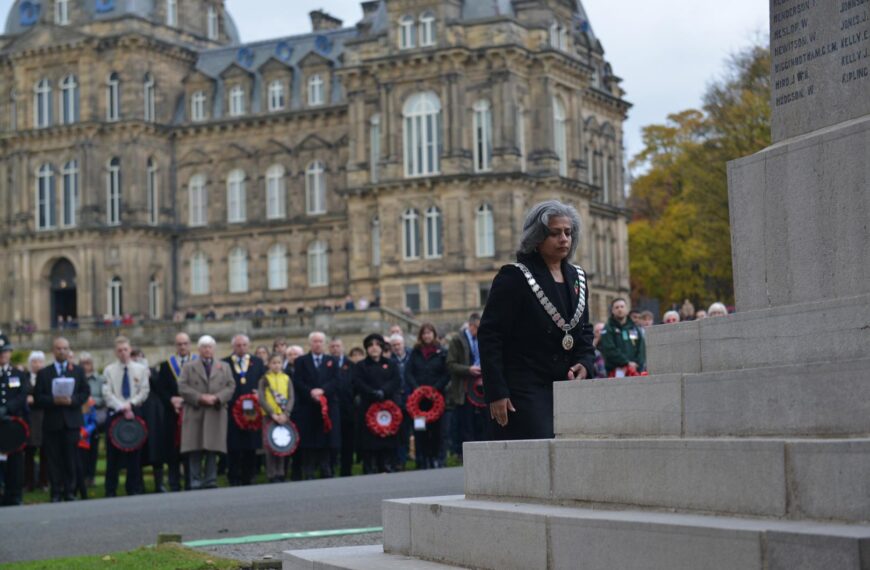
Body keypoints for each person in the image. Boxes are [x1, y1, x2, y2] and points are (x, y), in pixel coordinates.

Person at [478, 200, 596, 440]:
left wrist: (585, 362)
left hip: (567, 386)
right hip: (525, 389)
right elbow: (490, 336)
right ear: (537, 237)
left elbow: (583, 331)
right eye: (555, 233)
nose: (563, 238)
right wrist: (496, 392)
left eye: (568, 232)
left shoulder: (578, 277)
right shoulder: (515, 276)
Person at [33, 337, 90, 502]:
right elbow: (38, 397)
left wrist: (72, 400)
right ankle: (56, 492)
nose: (62, 351)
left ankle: (70, 491)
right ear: (53, 350)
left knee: (71, 457)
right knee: (53, 459)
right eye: (59, 348)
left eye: (65, 348)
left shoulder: (78, 371)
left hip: (71, 421)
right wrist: (54, 400)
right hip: (52, 422)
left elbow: (84, 392)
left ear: (69, 350)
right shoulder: (44, 373)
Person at [178, 336, 235, 490]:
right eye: (204, 347)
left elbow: (231, 386)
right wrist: (200, 397)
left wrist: (217, 398)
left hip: (215, 411)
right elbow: (182, 387)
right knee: (194, 448)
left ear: (214, 349)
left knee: (212, 448)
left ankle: (211, 479)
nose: (207, 350)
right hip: (196, 410)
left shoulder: (224, 366)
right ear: (199, 349)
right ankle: (195, 480)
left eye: (210, 347)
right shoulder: (189, 367)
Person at [102, 336, 150, 497]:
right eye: (119, 350)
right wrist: (121, 406)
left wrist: (131, 404)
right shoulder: (109, 370)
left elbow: (144, 391)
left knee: (134, 454)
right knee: (112, 455)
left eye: (125, 350)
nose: (123, 353)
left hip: (134, 413)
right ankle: (110, 489)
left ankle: (133, 488)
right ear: (116, 353)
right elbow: (107, 393)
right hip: (116, 412)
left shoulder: (140, 370)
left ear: (130, 350)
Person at [292, 332, 340, 480]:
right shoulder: (301, 361)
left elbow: (336, 380)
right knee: (308, 440)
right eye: (314, 341)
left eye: (320, 341)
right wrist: (310, 392)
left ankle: (326, 468)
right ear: (310, 344)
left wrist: (323, 390)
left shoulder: (331, 360)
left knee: (326, 438)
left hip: (327, 406)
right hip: (307, 406)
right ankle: (309, 470)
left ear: (324, 343)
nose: (317, 344)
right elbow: (297, 381)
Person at [353, 334, 401, 474]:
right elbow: (358, 382)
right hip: (368, 406)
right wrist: (372, 392)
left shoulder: (390, 364)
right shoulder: (361, 366)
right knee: (369, 439)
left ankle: (386, 464)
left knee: (387, 436)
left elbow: (396, 380)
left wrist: (384, 391)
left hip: (387, 407)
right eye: (370, 345)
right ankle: (369, 466)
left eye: (377, 345)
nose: (374, 348)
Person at [152, 333, 193, 492]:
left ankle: (191, 481)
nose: (182, 347)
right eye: (179, 344)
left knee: (191, 448)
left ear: (189, 344)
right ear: (175, 346)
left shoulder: (197, 363)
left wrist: (187, 400)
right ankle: (174, 482)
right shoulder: (166, 365)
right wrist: (171, 400)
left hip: (191, 411)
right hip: (172, 414)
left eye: (185, 343)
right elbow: (160, 389)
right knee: (172, 449)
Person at [405, 323, 449, 469]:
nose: (427, 336)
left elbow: (446, 373)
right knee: (420, 430)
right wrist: (417, 389)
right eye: (424, 333)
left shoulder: (441, 352)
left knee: (438, 431)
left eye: (429, 333)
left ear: (434, 335)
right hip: (418, 401)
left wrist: (435, 389)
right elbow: (408, 373)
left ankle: (437, 458)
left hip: (436, 399)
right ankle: (422, 459)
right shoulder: (415, 352)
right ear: (421, 336)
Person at [223, 334, 265, 486]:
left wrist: (259, 394)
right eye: (238, 345)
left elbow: (263, 382)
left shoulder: (257, 362)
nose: (241, 348)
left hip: (251, 409)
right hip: (232, 408)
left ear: (249, 345)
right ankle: (233, 476)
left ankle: (249, 475)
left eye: (244, 345)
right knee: (233, 444)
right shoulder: (225, 363)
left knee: (251, 442)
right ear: (233, 347)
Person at [447, 314, 486, 459]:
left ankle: (483, 454)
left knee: (483, 423)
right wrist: (468, 369)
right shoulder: (457, 340)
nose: (479, 331)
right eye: (477, 328)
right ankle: (468, 456)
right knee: (466, 424)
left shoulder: (482, 339)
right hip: (464, 390)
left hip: (482, 389)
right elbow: (450, 364)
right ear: (471, 326)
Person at [0, 334, 28, 506]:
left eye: (5, 351)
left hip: (13, 423)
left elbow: (22, 395)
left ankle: (15, 494)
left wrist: (7, 408)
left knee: (15, 461)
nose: (2, 355)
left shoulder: (18, 374)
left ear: (10, 352)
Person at [258, 353, 294, 483]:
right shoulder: (264, 379)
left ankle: (281, 472)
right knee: (270, 446)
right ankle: (271, 474)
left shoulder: (286, 378)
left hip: (284, 416)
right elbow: (262, 398)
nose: (276, 365)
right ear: (268, 364)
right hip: (269, 417)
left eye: (279, 362)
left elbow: (291, 397)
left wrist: (286, 413)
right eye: (273, 363)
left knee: (283, 444)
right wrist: (272, 413)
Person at [599, 298, 647, 376]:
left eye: (622, 306)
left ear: (627, 309)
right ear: (612, 311)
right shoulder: (608, 329)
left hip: (635, 369)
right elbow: (609, 350)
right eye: (616, 307)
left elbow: (640, 348)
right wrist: (627, 363)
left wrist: (637, 364)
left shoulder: (633, 328)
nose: (620, 309)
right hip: (616, 371)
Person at [78, 353, 106, 488]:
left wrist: (93, 402)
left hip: (95, 418)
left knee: (93, 450)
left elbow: (104, 397)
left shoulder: (99, 380)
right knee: (81, 451)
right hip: (80, 417)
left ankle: (91, 476)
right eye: (82, 363)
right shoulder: (77, 378)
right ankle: (81, 477)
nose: (85, 366)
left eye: (88, 362)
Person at [329, 338, 356, 477]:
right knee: (332, 441)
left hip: (347, 409)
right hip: (330, 409)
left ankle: (347, 470)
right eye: (332, 346)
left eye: (337, 346)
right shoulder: (326, 364)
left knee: (347, 442)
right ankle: (331, 468)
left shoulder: (350, 365)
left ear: (342, 347)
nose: (335, 349)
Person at [24, 351, 47, 492]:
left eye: (39, 361)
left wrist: (35, 399)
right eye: (34, 361)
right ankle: (29, 482)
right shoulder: (25, 377)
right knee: (29, 452)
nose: (37, 364)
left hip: (44, 418)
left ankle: (44, 482)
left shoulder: (46, 377)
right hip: (30, 419)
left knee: (45, 452)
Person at [389, 334, 412, 470]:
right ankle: (400, 460)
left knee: (416, 429)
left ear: (403, 344)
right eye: (394, 345)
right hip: (396, 400)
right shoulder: (389, 360)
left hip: (413, 398)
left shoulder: (412, 357)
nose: (397, 347)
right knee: (399, 432)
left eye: (398, 344)